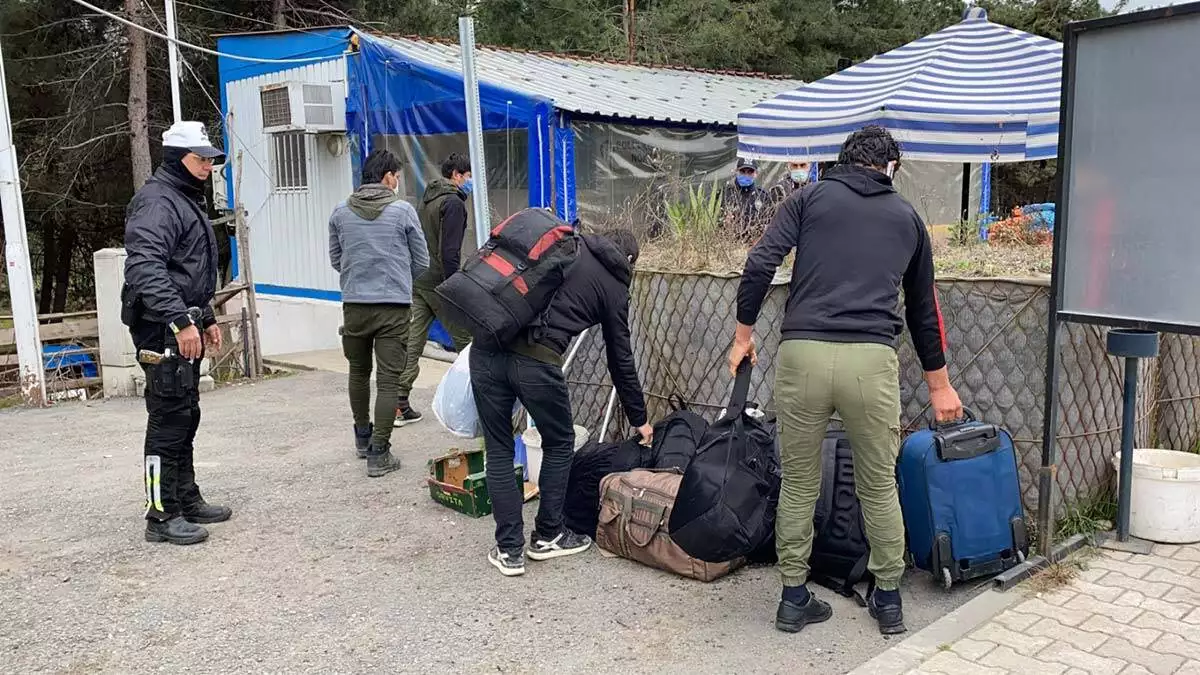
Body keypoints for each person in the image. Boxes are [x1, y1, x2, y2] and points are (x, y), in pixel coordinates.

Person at [730, 126, 963, 636]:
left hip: (802, 355)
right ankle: (889, 601)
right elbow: (925, 311)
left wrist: (743, 335)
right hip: (870, 361)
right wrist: (939, 385)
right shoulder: (908, 219)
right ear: (891, 167)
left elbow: (760, 263)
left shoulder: (808, 199)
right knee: (879, 485)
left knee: (798, 482)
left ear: (842, 162)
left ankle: (793, 596)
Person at [472, 226, 653, 577]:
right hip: (536, 359)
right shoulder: (614, 285)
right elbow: (621, 360)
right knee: (559, 442)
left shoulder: (565, 244)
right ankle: (549, 535)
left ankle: (509, 551)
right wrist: (639, 417)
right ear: (629, 261)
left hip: (487, 347)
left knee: (497, 448)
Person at [122, 120, 230, 546]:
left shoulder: (182, 198)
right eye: (198, 158)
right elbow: (145, 267)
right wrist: (180, 320)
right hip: (160, 329)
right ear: (175, 159)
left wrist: (204, 317)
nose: (206, 166)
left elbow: (188, 272)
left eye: (208, 159)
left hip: (179, 324)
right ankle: (160, 515)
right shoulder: (157, 202)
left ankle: (185, 497)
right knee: (167, 421)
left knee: (186, 415)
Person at [329, 149, 429, 477]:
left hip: (354, 305)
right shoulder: (402, 211)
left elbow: (336, 258)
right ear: (387, 176)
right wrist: (398, 280)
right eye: (397, 176)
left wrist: (358, 278)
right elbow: (422, 261)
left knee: (358, 372)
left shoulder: (340, 212)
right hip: (393, 307)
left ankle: (362, 437)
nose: (397, 182)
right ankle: (379, 452)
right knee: (388, 380)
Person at [396, 153, 474, 426]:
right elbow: (449, 251)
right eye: (468, 176)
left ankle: (399, 401)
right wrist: (455, 288)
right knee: (468, 342)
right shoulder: (453, 203)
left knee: (414, 341)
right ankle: (479, 400)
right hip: (441, 283)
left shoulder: (427, 199)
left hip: (420, 279)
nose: (470, 181)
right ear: (457, 175)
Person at [721, 157, 771, 241]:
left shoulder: (762, 196)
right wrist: (725, 222)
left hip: (754, 243)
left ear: (756, 174)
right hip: (729, 241)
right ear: (736, 172)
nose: (746, 175)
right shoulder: (725, 194)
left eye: (750, 172)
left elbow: (768, 223)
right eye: (742, 171)